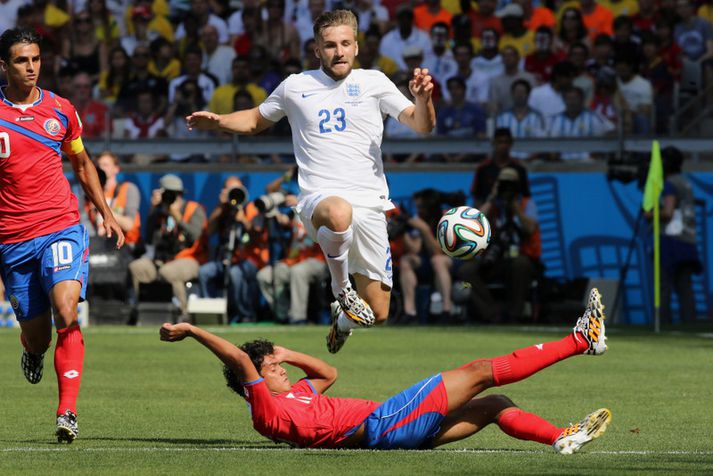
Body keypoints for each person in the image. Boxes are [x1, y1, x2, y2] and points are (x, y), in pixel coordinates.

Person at [185, 10, 436, 353]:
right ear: (317, 50)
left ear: (357, 46)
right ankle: (342, 289)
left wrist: (424, 99)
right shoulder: (296, 86)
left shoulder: (375, 83)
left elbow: (422, 125)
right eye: (330, 45)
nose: (339, 51)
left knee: (377, 312)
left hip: (371, 205)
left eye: (346, 43)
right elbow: (256, 120)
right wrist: (219, 122)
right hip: (319, 200)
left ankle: (343, 318)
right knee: (338, 211)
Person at [159, 288, 611, 453]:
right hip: (386, 422)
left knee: (494, 404)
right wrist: (193, 330)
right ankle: (580, 339)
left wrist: (283, 350)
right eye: (268, 367)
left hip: (395, 429)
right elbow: (240, 362)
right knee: (477, 372)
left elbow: (327, 372)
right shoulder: (266, 410)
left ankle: (560, 438)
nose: (276, 368)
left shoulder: (296, 396)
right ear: (251, 382)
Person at [0, 28, 125, 443]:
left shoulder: (61, 110)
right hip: (13, 239)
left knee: (67, 310)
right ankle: (33, 352)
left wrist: (104, 211)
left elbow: (83, 163)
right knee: (38, 335)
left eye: (35, 59)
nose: (31, 67)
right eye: (21, 60)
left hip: (60, 225)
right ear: (4, 65)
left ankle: (66, 411)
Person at [459, 167, 541, 323]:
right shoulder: (493, 206)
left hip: (521, 256)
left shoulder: (527, 204)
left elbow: (530, 228)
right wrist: (491, 199)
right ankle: (492, 313)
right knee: (466, 271)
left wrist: (514, 206)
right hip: (494, 258)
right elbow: (472, 225)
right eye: (504, 183)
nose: (507, 187)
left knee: (520, 265)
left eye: (510, 184)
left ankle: (514, 314)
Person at [128, 174, 207, 321]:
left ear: (180, 194)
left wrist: (178, 217)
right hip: (161, 258)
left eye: (174, 194)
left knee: (168, 272)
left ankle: (183, 313)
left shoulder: (193, 209)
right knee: (137, 267)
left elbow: (194, 237)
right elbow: (150, 237)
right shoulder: (159, 212)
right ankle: (143, 310)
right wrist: (153, 210)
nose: (171, 198)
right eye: (167, 194)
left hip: (189, 258)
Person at [198, 176, 268, 323]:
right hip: (226, 259)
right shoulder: (223, 210)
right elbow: (209, 232)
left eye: (237, 190)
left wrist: (243, 220)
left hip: (251, 259)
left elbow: (259, 238)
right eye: (230, 190)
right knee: (204, 272)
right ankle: (209, 314)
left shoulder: (252, 208)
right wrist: (220, 206)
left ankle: (245, 314)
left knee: (235, 274)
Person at [649, 146, 702, 325]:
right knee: (684, 286)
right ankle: (690, 324)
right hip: (687, 238)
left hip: (671, 239)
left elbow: (668, 212)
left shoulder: (670, 183)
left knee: (664, 285)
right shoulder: (684, 182)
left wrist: (649, 213)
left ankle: (662, 323)